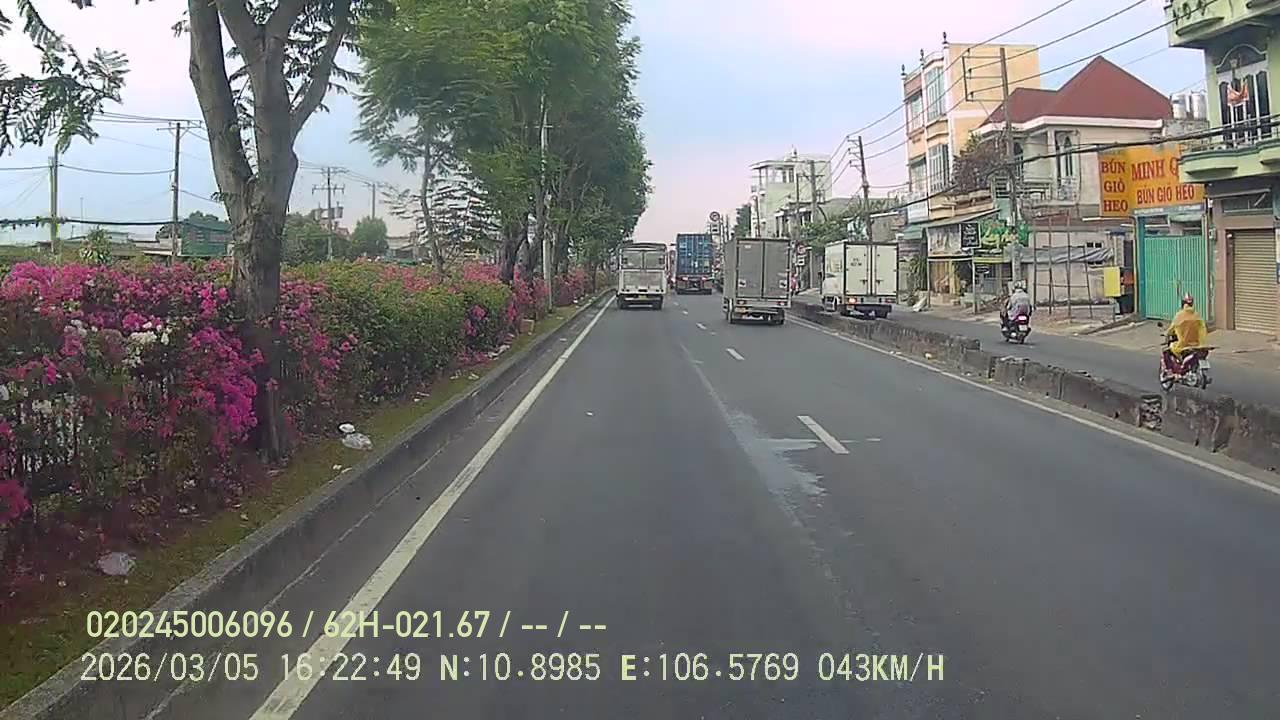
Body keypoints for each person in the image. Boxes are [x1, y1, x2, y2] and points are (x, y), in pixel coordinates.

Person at [1164, 292, 1207, 374]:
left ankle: (1174, 369)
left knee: (1168, 350)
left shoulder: (1179, 315)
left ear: (1183, 303)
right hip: (1197, 344)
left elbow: (1172, 328)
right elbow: (1203, 328)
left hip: (1183, 345)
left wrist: (1167, 333)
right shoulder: (1197, 316)